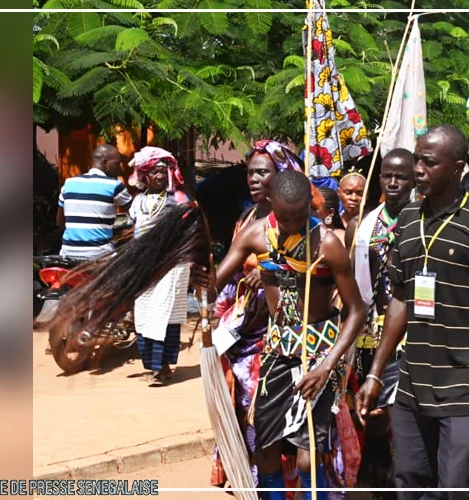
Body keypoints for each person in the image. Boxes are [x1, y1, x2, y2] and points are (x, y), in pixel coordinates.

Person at [355, 125, 469, 496]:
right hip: (414, 383)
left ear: (457, 168)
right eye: (417, 159)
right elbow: (401, 295)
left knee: (457, 488)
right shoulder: (409, 219)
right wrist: (376, 372)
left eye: (428, 162)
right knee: (412, 484)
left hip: (466, 385)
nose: (417, 169)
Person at [215, 169, 367, 499]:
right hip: (276, 353)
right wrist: (198, 276)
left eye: (300, 216)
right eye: (284, 218)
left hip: (319, 356)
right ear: (271, 205)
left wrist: (327, 365)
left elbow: (356, 311)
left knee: (307, 458)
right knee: (266, 448)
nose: (292, 225)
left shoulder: (327, 244)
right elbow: (218, 278)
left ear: (310, 208)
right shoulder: (254, 234)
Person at [209, 144, 279, 489]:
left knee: (259, 409)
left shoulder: (291, 219)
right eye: (251, 172)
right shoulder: (247, 218)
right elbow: (228, 276)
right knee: (233, 401)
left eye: (262, 172)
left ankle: (266, 481)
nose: (254, 178)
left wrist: (269, 270)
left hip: (275, 330)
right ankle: (243, 473)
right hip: (240, 326)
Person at [345, 147, 414, 493]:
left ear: (415, 178)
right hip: (369, 331)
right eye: (387, 175)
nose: (393, 182)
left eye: (401, 176)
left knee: (401, 414)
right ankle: (376, 476)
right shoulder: (362, 225)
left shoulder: (422, 221)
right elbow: (348, 282)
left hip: (411, 332)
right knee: (371, 410)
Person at [126, 148, 193, 386]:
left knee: (163, 314)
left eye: (163, 172)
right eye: (155, 172)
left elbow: (191, 230)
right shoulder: (138, 202)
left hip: (170, 265)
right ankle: (154, 366)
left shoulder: (179, 199)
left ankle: (161, 367)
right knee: (144, 315)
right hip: (144, 266)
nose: (160, 177)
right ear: (145, 175)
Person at [57, 144, 133, 258]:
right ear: (105, 162)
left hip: (68, 253)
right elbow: (136, 213)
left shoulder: (68, 183)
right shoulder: (114, 185)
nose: (120, 168)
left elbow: (60, 221)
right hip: (99, 255)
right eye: (117, 163)